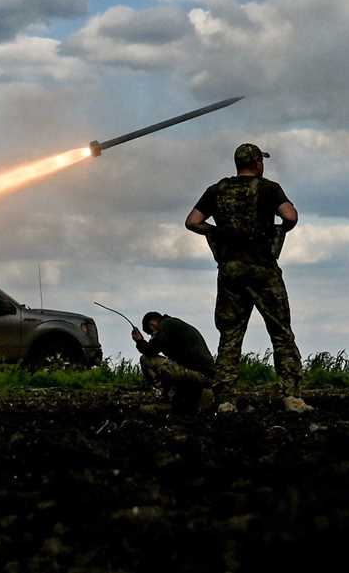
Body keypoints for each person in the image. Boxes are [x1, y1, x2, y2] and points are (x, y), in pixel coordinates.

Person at [186, 143, 310, 413]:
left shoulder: (216, 190)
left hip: (230, 271)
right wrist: (278, 229)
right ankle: (291, 396)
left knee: (230, 335)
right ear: (257, 163)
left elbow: (192, 221)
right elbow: (290, 216)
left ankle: (225, 400)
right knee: (281, 333)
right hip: (263, 269)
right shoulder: (269, 188)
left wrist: (218, 233)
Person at [132, 311, 216, 413]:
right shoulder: (173, 325)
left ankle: (161, 392)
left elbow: (151, 350)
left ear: (152, 324)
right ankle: (174, 394)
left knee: (145, 360)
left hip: (201, 376)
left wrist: (140, 341)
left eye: (151, 333)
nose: (152, 337)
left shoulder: (166, 325)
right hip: (204, 375)